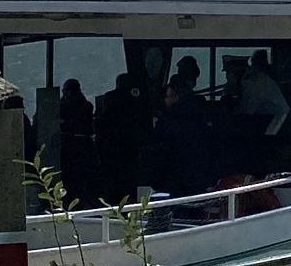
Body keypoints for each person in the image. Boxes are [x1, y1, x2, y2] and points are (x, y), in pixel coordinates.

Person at [150, 78, 213, 196]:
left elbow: (160, 150)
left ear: (176, 97)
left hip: (174, 180)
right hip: (199, 179)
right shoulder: (202, 118)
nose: (165, 100)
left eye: (168, 96)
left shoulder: (168, 121)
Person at [95, 72, 142, 202]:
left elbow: (102, 122)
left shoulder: (110, 99)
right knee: (129, 181)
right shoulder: (136, 101)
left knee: (113, 183)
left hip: (111, 149)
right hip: (130, 148)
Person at [58, 77, 97, 206]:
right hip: (85, 145)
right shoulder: (86, 105)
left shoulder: (64, 105)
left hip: (68, 146)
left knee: (70, 179)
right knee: (84, 179)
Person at [237, 51, 291, 136]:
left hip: (278, 120)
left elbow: (249, 110)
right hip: (268, 118)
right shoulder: (258, 80)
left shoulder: (259, 81)